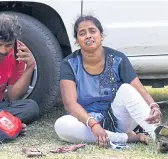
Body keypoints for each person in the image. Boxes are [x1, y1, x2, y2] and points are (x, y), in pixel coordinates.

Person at [54, 15, 162, 148]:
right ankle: (126, 138)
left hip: (118, 118)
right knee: (62, 125)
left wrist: (153, 106)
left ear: (101, 35)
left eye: (92, 31)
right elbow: (70, 104)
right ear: (77, 41)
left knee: (127, 89)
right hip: (86, 122)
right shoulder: (69, 64)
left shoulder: (118, 58)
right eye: (82, 33)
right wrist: (93, 124)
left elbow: (139, 90)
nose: (88, 36)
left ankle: (160, 136)